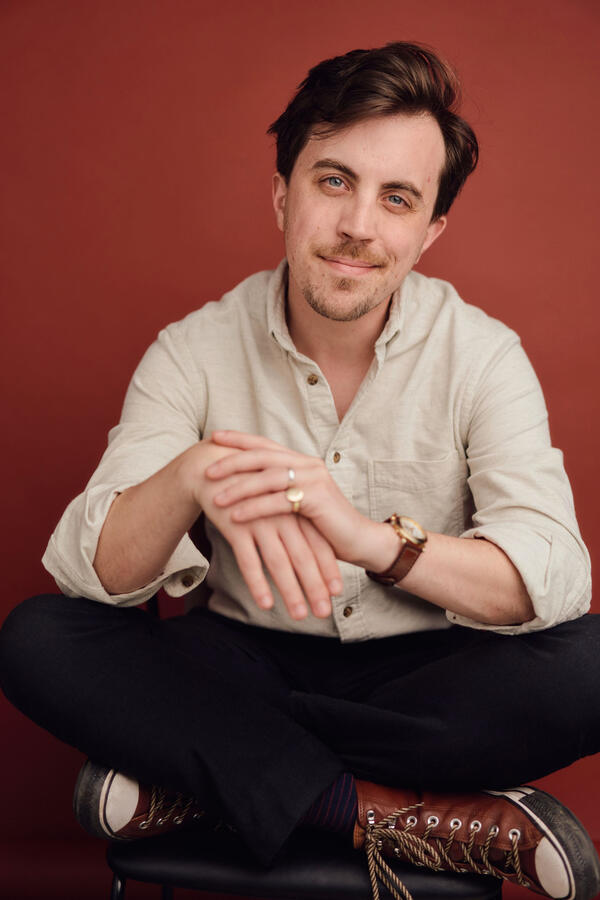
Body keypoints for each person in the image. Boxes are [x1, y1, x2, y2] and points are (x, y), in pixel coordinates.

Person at [1, 41, 599, 900]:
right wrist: (193, 476)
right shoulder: (193, 351)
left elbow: (554, 571)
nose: (360, 224)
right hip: (241, 669)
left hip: (419, 683)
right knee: (40, 638)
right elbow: (95, 576)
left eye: (397, 199)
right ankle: (394, 817)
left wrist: (374, 542)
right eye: (333, 181)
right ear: (282, 191)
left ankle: (207, 784)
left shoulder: (485, 355)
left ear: (430, 230)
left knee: (592, 663)